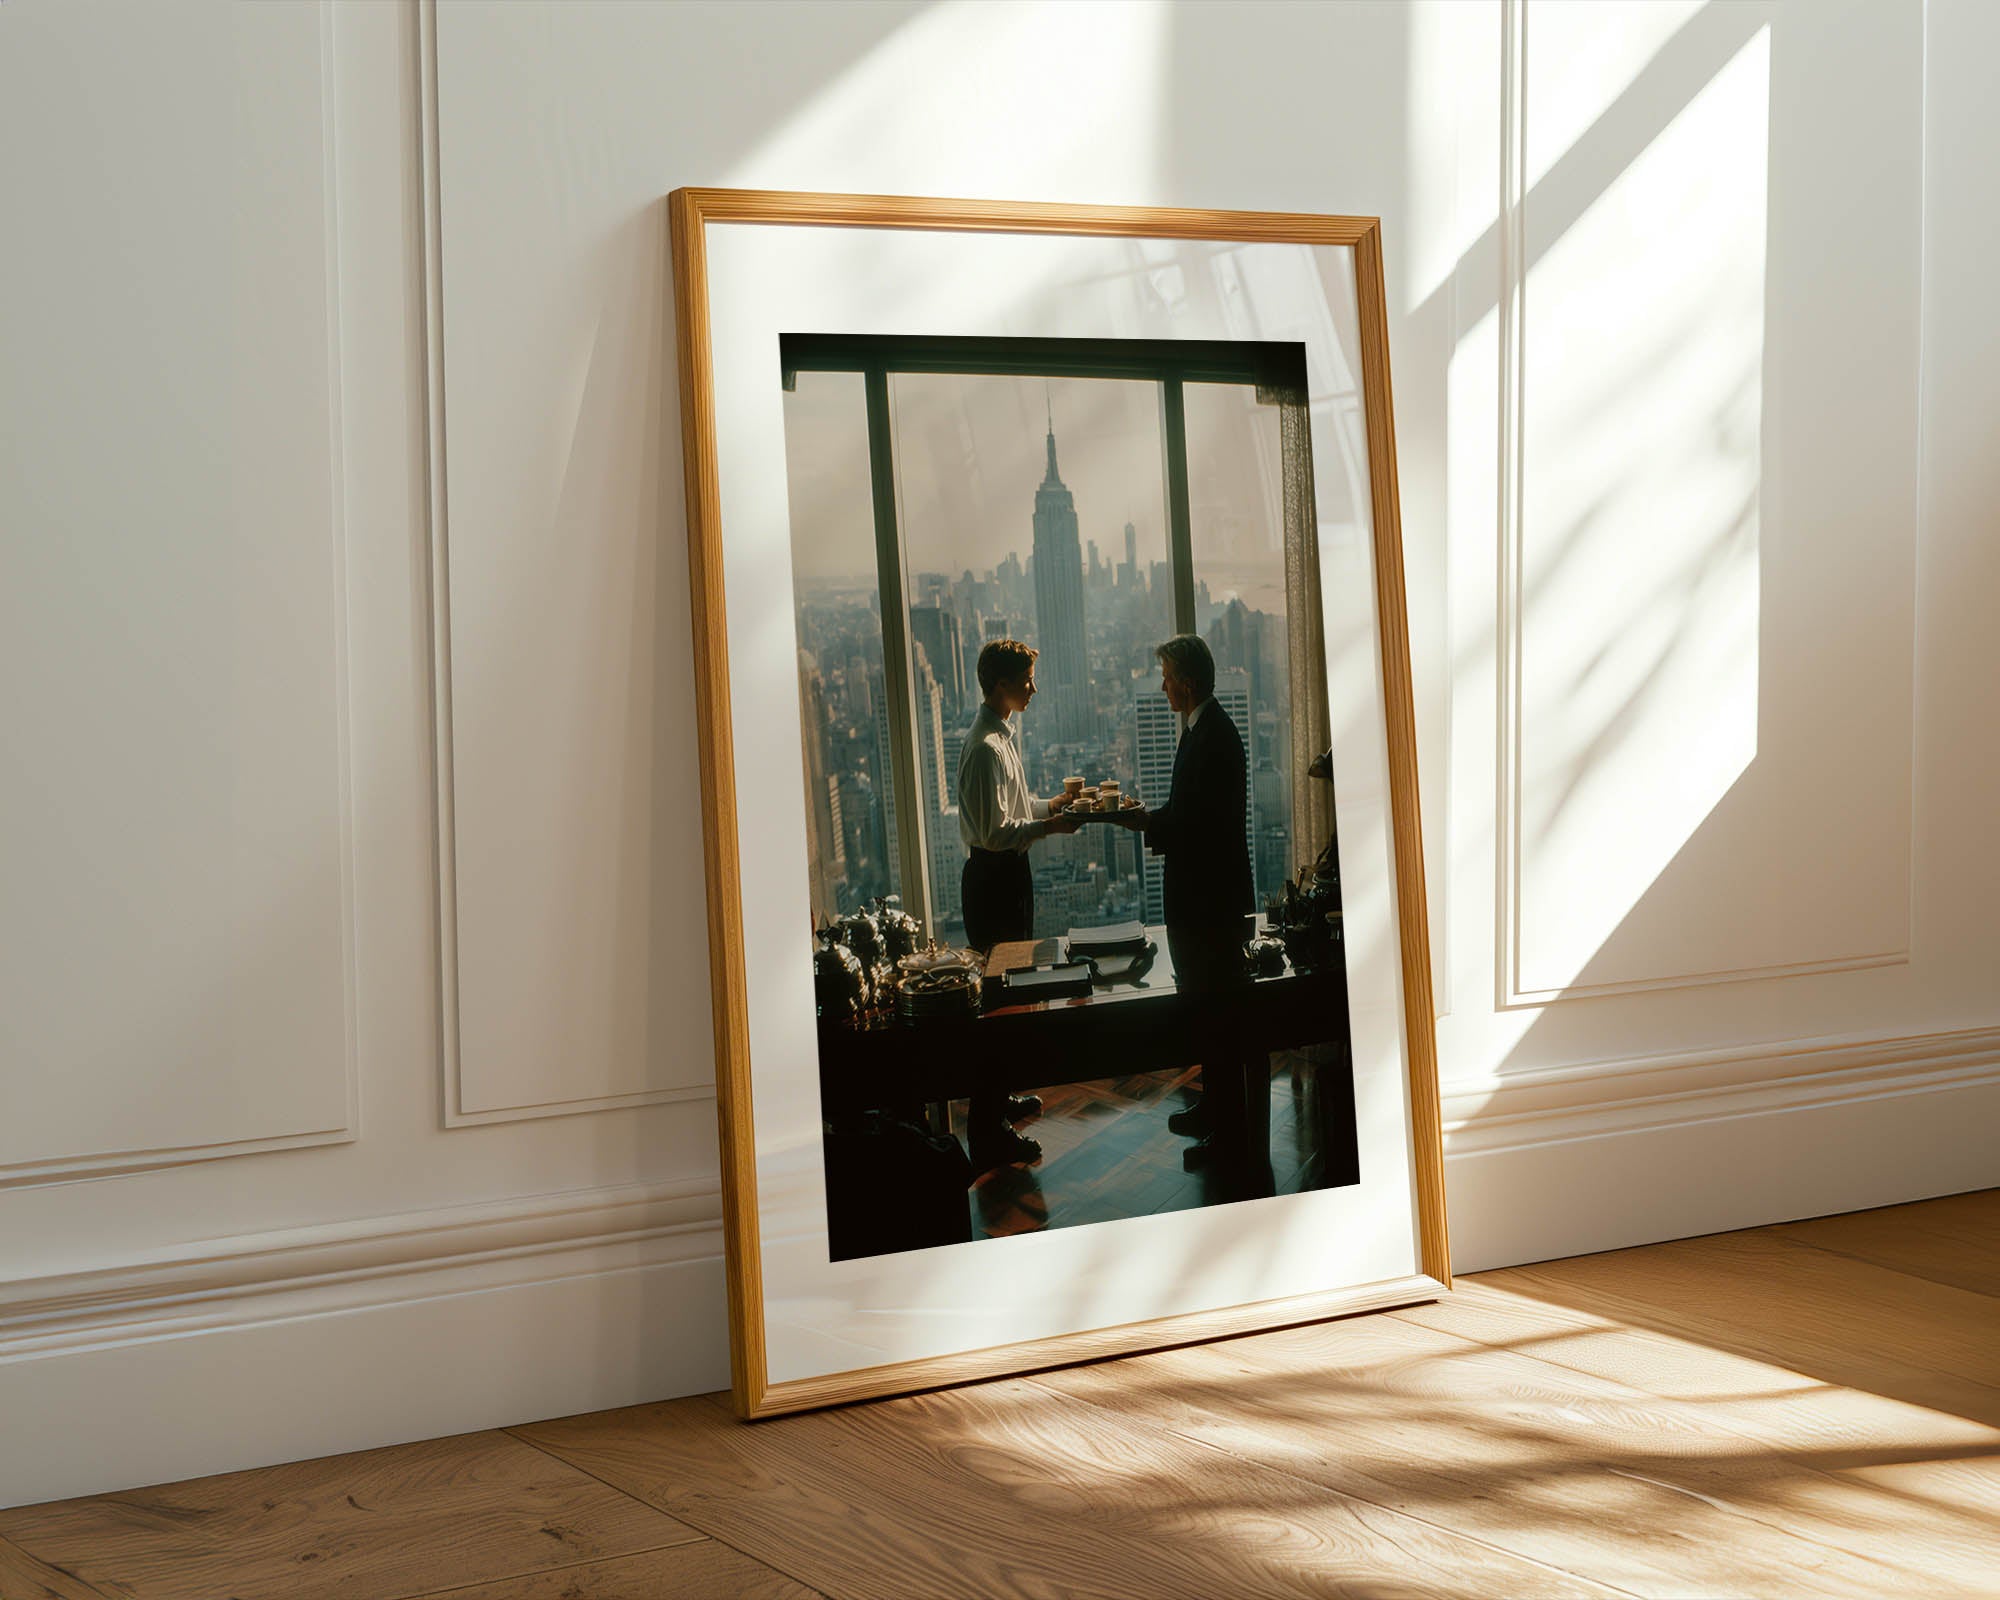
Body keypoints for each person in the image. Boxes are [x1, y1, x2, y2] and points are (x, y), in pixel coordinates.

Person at [1106, 634, 1257, 1173]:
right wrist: (1150, 816)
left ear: (1187, 683)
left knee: (1215, 1016)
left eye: (1167, 677)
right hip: (1202, 900)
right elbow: (1188, 810)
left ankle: (1231, 1134)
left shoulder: (1212, 736)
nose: (1163, 687)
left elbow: (1197, 825)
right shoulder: (1201, 730)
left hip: (1208, 905)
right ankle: (1216, 1107)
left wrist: (1146, 821)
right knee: (1206, 1011)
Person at [955, 638, 1080, 1172]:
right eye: (1027, 678)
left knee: (1008, 992)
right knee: (997, 1001)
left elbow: (1013, 808)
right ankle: (988, 1130)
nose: (1034, 687)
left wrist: (1051, 806)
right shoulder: (985, 747)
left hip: (1008, 875)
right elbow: (994, 832)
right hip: (994, 880)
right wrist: (1050, 827)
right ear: (1002, 684)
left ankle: (998, 1100)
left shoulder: (1002, 736)